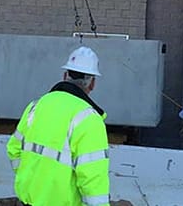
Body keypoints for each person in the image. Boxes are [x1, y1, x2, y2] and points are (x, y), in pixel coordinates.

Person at [7, 46, 110, 206]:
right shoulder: (90, 119)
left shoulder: (35, 106)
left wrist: (32, 179)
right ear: (92, 83)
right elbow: (93, 180)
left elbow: (13, 150)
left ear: (65, 75)